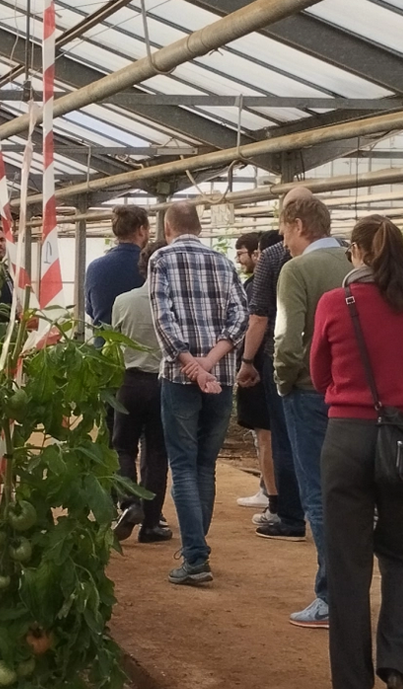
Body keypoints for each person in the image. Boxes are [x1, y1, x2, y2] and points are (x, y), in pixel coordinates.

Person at [312, 215, 403, 689]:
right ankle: (398, 666)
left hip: (346, 439)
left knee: (348, 563)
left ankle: (351, 688)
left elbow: (320, 372)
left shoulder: (334, 303)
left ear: (358, 252)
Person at [148, 201, 250, 587]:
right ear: (199, 227)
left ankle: (195, 557)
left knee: (184, 465)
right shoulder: (224, 263)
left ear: (169, 227)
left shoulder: (162, 259)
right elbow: (240, 317)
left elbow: (163, 316)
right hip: (220, 375)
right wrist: (210, 362)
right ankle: (198, 548)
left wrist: (191, 364)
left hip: (179, 377)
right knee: (206, 464)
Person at [272, 194, 352, 629]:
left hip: (308, 391)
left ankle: (331, 595)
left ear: (300, 225)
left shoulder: (297, 270)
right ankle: (348, 586)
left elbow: (288, 338)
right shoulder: (355, 263)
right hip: (353, 397)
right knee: (348, 493)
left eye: (284, 230)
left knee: (317, 494)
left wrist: (285, 381)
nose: (283, 240)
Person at [240, 228, 304, 537]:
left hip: (280, 360)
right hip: (329, 365)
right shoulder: (342, 254)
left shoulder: (276, 257)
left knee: (281, 438)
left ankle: (287, 513)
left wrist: (248, 361)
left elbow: (259, 318)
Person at [109, 240, 173, 545]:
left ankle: (128, 502)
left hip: (129, 381)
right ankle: (151, 524)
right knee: (157, 453)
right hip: (163, 382)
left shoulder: (124, 300)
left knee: (123, 446)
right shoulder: (174, 302)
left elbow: (113, 340)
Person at [232, 232, 277, 512]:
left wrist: (246, 361)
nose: (252, 258)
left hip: (261, 364)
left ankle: (271, 495)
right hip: (275, 364)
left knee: (265, 434)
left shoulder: (260, 284)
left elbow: (255, 320)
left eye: (258, 252)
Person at [85, 206, 151, 335]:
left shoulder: (95, 267)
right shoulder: (150, 265)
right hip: (139, 349)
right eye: (148, 230)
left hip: (104, 349)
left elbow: (91, 310)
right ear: (141, 231)